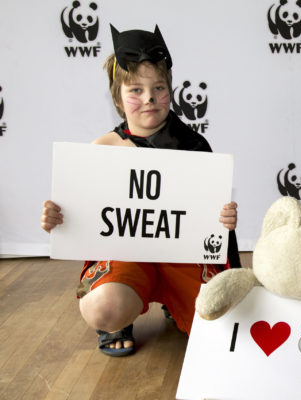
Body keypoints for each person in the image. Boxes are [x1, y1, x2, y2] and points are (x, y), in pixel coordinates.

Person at [40, 24, 241, 357]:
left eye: (158, 87)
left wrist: (223, 219)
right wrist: (58, 217)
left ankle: (177, 304)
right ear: (118, 97)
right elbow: (86, 215)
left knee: (225, 328)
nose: (149, 98)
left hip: (183, 259)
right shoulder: (103, 148)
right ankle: (115, 322)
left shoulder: (192, 146)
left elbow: (209, 224)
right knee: (103, 306)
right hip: (127, 256)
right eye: (136, 89)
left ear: (170, 91)